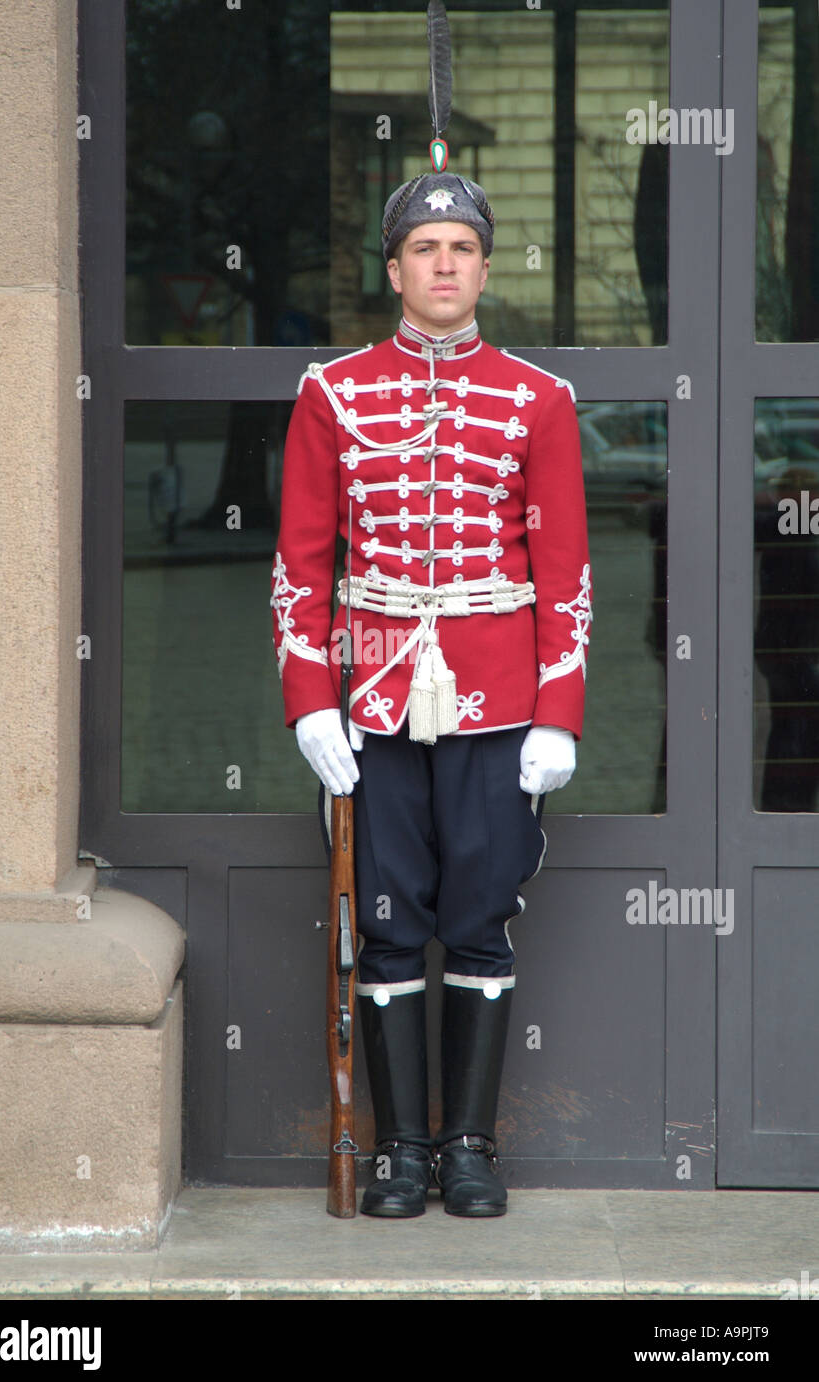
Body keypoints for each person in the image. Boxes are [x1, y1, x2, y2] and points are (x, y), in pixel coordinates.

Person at [271, 171, 592, 1217]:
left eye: (460, 247)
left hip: (498, 703)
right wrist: (311, 698)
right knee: (387, 921)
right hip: (371, 698)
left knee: (481, 918)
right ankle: (399, 1150)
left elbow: (566, 577)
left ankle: (469, 1147)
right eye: (423, 247)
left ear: (484, 268)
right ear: (395, 266)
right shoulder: (333, 391)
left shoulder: (537, 398)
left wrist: (559, 712)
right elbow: (300, 563)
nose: (443, 263)